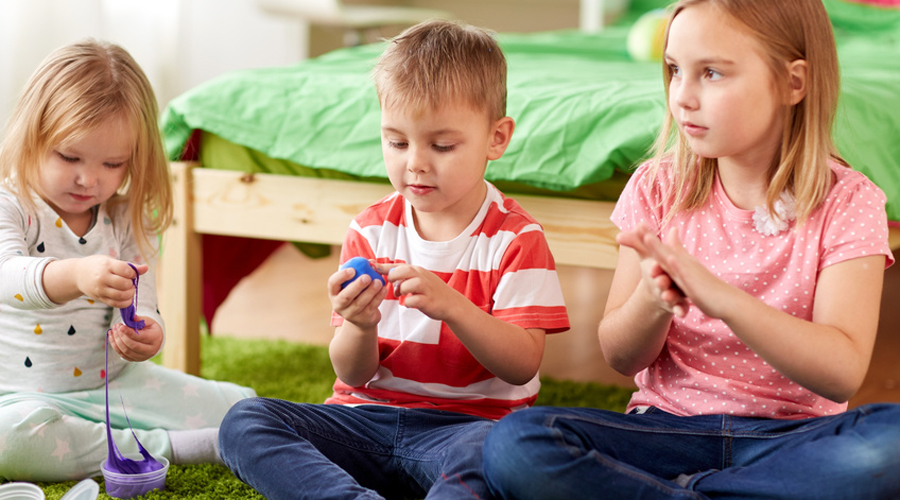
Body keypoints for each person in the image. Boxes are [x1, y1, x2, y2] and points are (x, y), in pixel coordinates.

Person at [482, 1, 900, 499]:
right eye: (675, 70)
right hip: (666, 431)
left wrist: (722, 299)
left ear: (794, 83)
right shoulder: (656, 188)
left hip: (789, 439)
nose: (683, 95)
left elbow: (841, 373)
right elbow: (619, 355)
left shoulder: (849, 201)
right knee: (515, 442)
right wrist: (654, 301)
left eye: (712, 73)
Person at [218, 19, 570, 500]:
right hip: (365, 421)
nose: (415, 163)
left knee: (503, 459)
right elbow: (351, 375)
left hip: (464, 432)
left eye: (442, 146)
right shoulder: (370, 229)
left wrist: (452, 306)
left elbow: (521, 364)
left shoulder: (515, 237)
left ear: (497, 138)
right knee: (245, 421)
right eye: (397, 142)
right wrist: (359, 325)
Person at [0, 39, 254, 482]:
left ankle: (114, 432)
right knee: (15, 441)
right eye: (69, 156)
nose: (88, 179)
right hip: (18, 397)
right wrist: (77, 274)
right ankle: (172, 447)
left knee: (244, 407)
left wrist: (147, 334)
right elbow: (8, 277)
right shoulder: (13, 205)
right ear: (31, 134)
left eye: (113, 163)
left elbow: (145, 304)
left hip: (117, 385)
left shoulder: (123, 215)